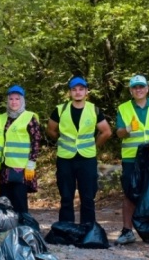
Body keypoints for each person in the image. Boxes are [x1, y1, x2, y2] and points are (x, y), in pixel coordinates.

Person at [46, 76, 113, 224]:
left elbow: (106, 132)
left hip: (87, 159)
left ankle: (88, 228)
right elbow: (50, 129)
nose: (78, 92)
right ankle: (66, 228)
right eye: (74, 89)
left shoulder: (94, 109)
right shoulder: (60, 110)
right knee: (66, 197)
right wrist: (60, 140)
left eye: (81, 89)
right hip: (65, 158)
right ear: (70, 92)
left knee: (88, 197)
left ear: (86, 91)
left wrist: (94, 146)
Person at [114, 74, 149, 246]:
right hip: (131, 157)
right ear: (131, 90)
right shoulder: (124, 108)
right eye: (135, 87)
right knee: (130, 193)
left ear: (147, 88)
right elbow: (119, 133)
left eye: (141, 87)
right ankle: (127, 232)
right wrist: (128, 128)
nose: (138, 90)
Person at [0, 85, 41, 214]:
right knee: (4, 200)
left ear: (22, 101)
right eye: (11, 99)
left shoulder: (29, 117)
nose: (14, 102)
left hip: (21, 167)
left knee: (19, 199)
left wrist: (32, 162)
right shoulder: (1, 118)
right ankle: (6, 225)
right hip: (4, 166)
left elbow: (36, 140)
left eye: (17, 99)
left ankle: (23, 224)